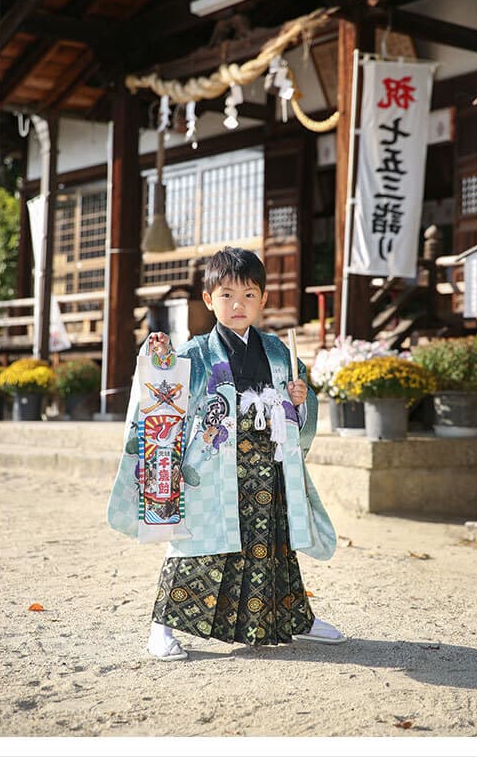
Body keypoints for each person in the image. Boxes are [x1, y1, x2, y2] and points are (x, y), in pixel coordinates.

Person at [107, 246, 345, 660]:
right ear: (208, 300)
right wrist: (159, 357)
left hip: (266, 468)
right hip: (213, 468)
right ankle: (161, 626)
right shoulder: (196, 353)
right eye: (227, 295)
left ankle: (293, 619)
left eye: (250, 295)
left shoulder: (277, 352)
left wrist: (299, 399)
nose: (239, 305)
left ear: (264, 299)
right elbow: (165, 394)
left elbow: (300, 412)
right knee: (197, 545)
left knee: (270, 546)